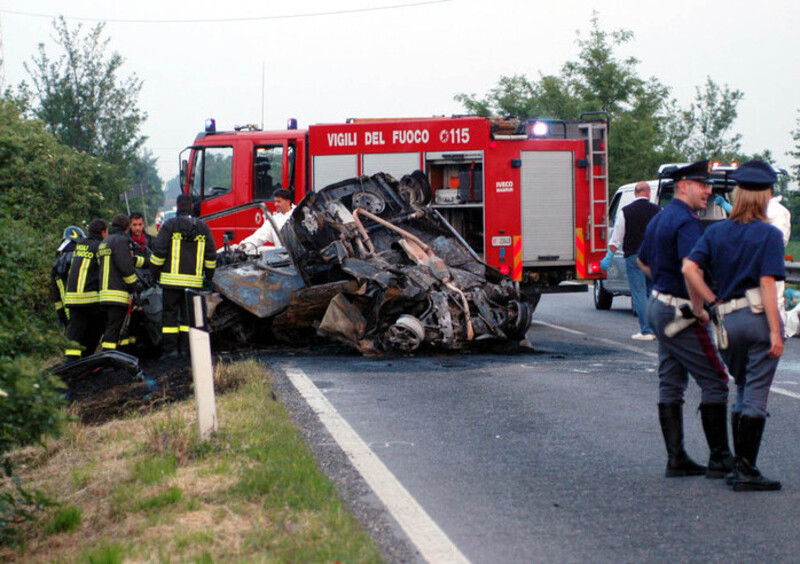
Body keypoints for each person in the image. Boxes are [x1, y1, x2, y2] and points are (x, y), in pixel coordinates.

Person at [682, 160, 784, 491]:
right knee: (755, 392)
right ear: (764, 196)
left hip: (726, 321)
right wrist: (774, 330)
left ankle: (737, 466)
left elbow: (689, 269)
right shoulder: (768, 234)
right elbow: (767, 282)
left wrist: (711, 301)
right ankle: (746, 470)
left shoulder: (716, 231)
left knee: (741, 387)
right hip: (756, 318)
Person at [637, 160, 732, 479]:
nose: (708, 190)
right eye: (702, 184)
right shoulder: (687, 223)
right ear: (683, 186)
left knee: (671, 381)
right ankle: (720, 459)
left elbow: (641, 262)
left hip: (658, 305)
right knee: (716, 380)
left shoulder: (660, 219)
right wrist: (699, 306)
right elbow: (693, 269)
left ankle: (676, 458)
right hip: (681, 310)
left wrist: (665, 284)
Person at [150, 194, 216, 359]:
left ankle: (170, 352)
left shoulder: (169, 225)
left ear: (178, 207)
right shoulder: (203, 228)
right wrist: (208, 277)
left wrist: (154, 273)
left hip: (170, 283)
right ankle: (187, 351)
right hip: (193, 284)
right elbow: (211, 256)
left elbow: (158, 252)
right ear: (192, 207)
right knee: (188, 319)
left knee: (169, 319)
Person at [602, 181, 661, 340]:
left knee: (639, 293)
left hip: (634, 256)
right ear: (648, 193)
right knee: (652, 293)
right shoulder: (658, 211)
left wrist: (608, 257)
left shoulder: (625, 212)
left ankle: (646, 330)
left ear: (636, 193)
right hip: (653, 257)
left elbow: (617, 238)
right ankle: (655, 328)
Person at [63, 219, 107, 361]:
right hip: (89, 298)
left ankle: (71, 361)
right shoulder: (100, 247)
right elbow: (105, 271)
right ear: (103, 232)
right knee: (101, 323)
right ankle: (88, 357)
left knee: (75, 331)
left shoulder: (80, 245)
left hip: (71, 297)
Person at [97, 214, 140, 351]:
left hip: (104, 293)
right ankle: (108, 357)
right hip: (116, 293)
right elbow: (125, 267)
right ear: (127, 227)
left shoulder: (105, 242)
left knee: (114, 328)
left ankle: (121, 356)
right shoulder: (121, 241)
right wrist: (135, 286)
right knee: (114, 329)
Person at [51, 225, 86, 328]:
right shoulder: (80, 256)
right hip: (81, 309)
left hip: (67, 310)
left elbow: (56, 295)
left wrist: (61, 316)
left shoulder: (58, 261)